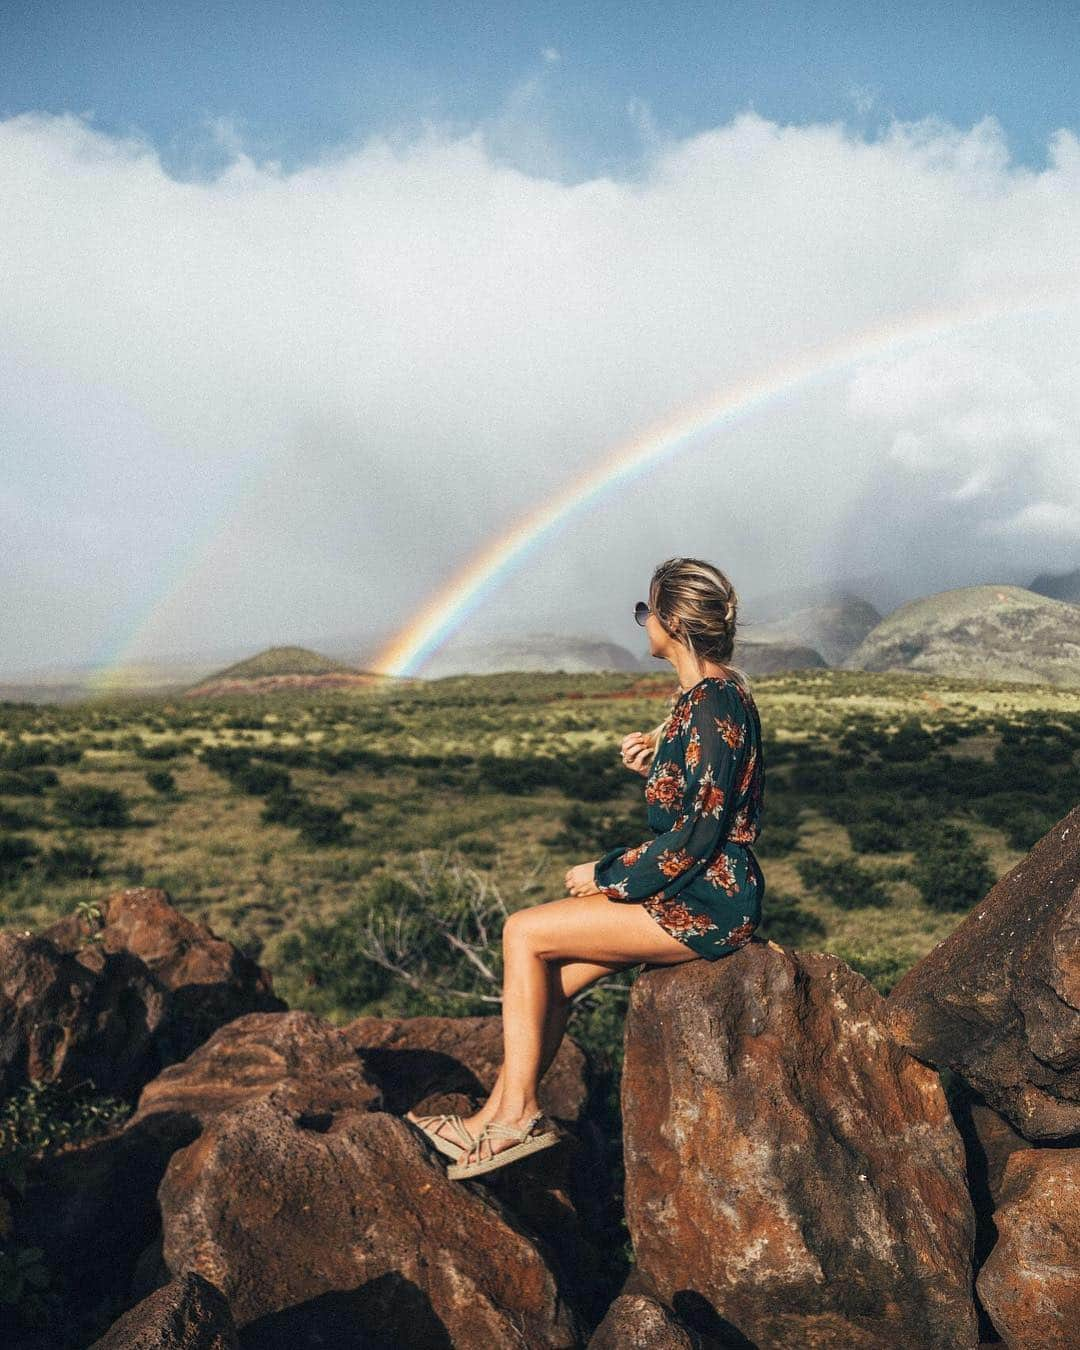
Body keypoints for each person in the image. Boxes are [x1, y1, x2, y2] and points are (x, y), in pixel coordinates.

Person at [406, 557, 767, 1179]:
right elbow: (706, 777)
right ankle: (487, 1117)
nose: (642, 622)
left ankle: (517, 1116)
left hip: (706, 900)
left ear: (674, 622)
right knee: (556, 980)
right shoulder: (712, 691)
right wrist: (660, 755)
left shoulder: (710, 704)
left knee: (524, 930)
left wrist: (607, 874)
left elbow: (698, 832)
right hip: (695, 889)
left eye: (645, 611)